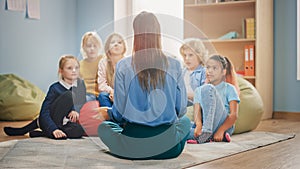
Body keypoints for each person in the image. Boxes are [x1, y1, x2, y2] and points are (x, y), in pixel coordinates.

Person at [94, 11, 191, 160]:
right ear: (158, 33)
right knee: (185, 122)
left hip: (132, 147)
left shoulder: (123, 66)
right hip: (169, 149)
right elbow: (181, 110)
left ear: (135, 34)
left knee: (104, 128)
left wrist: (109, 113)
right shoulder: (175, 64)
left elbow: (119, 114)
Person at [4, 55, 86, 139]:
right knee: (69, 95)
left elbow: (73, 105)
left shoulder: (78, 87)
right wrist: (53, 129)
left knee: (79, 131)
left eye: (76, 68)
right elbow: (44, 112)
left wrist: (73, 111)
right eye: (69, 68)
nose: (74, 71)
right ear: (61, 71)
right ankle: (51, 131)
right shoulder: (54, 88)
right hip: (49, 120)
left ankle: (43, 134)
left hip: (63, 123)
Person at [188, 55, 240, 144]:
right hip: (204, 125)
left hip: (223, 124)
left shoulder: (230, 88)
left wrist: (221, 130)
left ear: (223, 72)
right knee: (180, 127)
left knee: (208, 88)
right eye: (208, 67)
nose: (210, 71)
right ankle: (206, 135)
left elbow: (234, 115)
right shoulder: (199, 90)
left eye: (214, 68)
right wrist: (199, 125)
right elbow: (197, 113)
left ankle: (207, 133)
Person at [97, 33, 126, 107]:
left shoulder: (128, 62)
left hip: (124, 95)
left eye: (119, 42)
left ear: (124, 47)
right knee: (102, 96)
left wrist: (117, 94)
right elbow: (101, 84)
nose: (116, 44)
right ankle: (110, 115)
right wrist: (111, 91)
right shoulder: (103, 62)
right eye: (113, 42)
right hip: (109, 94)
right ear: (107, 47)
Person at [179, 38, 208, 106]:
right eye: (185, 55)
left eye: (190, 55)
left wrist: (185, 95)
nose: (186, 58)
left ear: (199, 56)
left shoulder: (204, 72)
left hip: (193, 103)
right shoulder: (182, 71)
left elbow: (204, 96)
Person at [79, 31, 103, 101]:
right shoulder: (80, 65)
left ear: (99, 47)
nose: (92, 48)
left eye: (95, 46)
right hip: (86, 94)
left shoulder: (103, 60)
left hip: (101, 94)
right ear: (84, 48)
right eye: (89, 46)